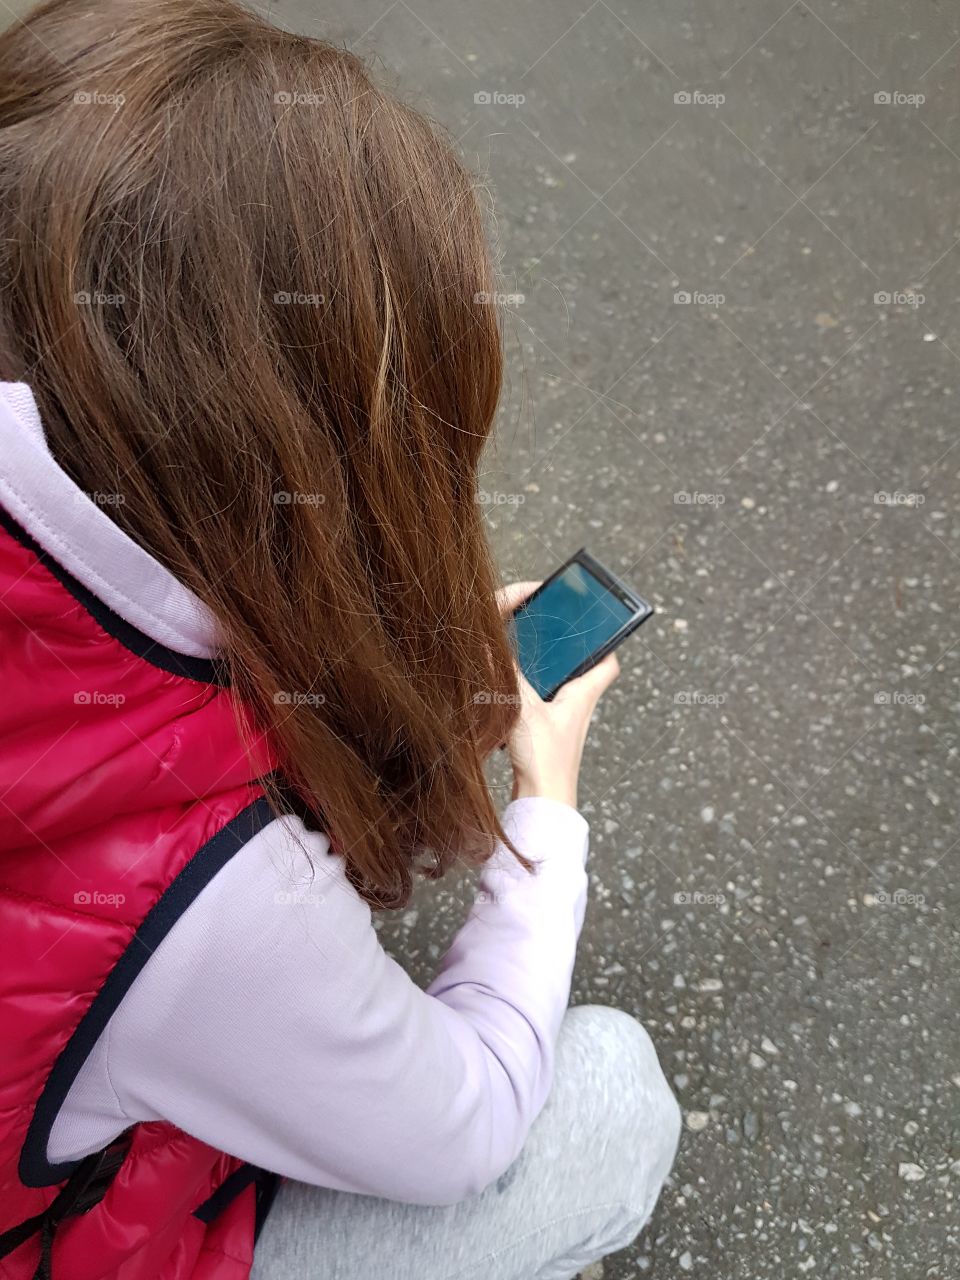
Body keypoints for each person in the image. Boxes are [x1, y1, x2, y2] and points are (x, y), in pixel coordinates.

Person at [0, 1, 681, 1277]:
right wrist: (545, 801)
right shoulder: (212, 906)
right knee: (608, 1097)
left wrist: (372, 673)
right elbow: (467, 1120)